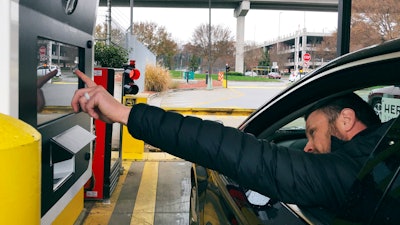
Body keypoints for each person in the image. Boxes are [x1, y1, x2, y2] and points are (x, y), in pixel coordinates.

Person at [71, 69, 389, 215]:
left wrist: (127, 115)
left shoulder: (351, 175)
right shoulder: (381, 160)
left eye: (312, 133)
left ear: (346, 120)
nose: (307, 146)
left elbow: (235, 149)